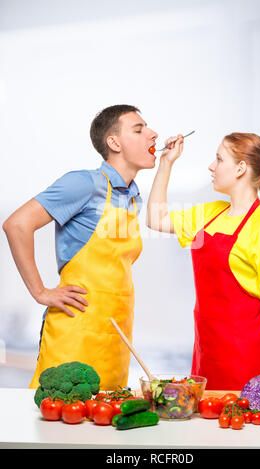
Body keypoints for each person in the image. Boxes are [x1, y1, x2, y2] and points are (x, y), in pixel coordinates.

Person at [3, 104, 158, 390]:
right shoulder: (84, 184)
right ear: (114, 143)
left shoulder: (133, 197)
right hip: (75, 332)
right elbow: (17, 224)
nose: (153, 134)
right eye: (139, 129)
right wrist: (40, 291)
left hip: (116, 338)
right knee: (58, 421)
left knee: (106, 426)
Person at [147, 132, 260, 390]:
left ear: (240, 168)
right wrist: (166, 163)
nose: (211, 166)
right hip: (207, 347)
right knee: (205, 421)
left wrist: (251, 328)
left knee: (247, 420)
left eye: (218, 159)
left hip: (248, 354)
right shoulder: (211, 212)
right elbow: (155, 219)